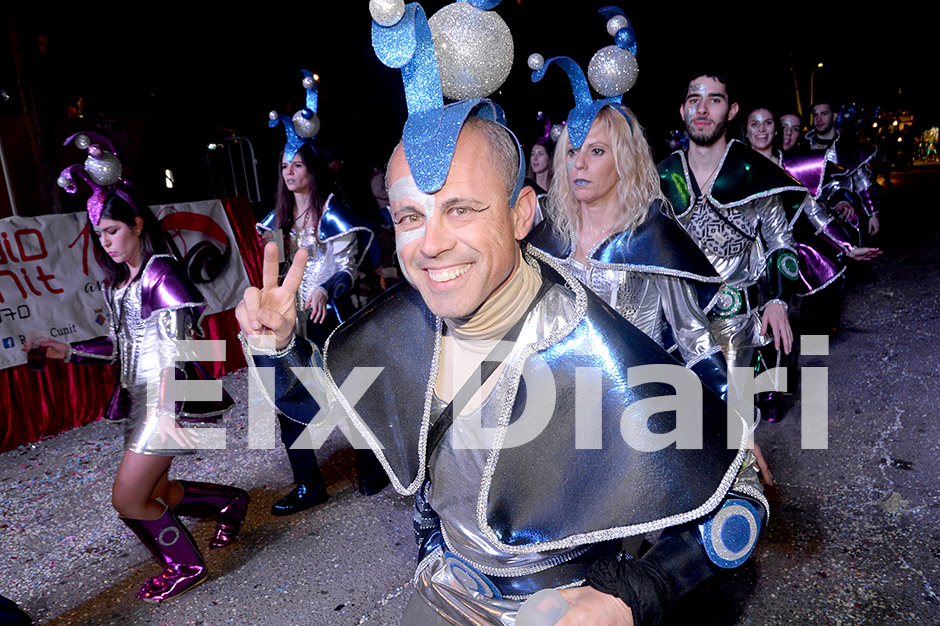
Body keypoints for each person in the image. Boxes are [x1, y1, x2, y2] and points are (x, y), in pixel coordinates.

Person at [239, 107, 768, 624]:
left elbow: (738, 502)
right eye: (410, 217)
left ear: (520, 214)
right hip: (442, 589)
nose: (431, 245)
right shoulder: (404, 321)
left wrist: (630, 595)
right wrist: (278, 346)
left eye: (461, 210)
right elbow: (324, 408)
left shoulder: (586, 342)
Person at [42, 133, 245, 604]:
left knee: (129, 499)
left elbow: (181, 347)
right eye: (99, 234)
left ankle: (186, 565)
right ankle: (230, 503)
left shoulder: (160, 273)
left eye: (112, 231)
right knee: (161, 492)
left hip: (168, 400)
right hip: (140, 400)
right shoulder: (119, 284)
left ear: (136, 224)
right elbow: (121, 347)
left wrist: (171, 413)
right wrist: (66, 351)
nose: (106, 242)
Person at [528, 104, 728, 396]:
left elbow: (693, 337)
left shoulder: (652, 237)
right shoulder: (548, 239)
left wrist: (734, 414)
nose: (579, 164)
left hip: (642, 403)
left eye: (596, 151)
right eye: (572, 151)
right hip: (564, 401)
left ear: (624, 159)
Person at [659, 72, 802, 422]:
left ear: (732, 110)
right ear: (683, 110)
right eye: (694, 100)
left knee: (730, 422)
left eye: (714, 100)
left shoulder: (755, 173)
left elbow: (780, 241)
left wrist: (778, 300)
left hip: (735, 323)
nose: (702, 109)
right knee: (679, 424)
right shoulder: (661, 178)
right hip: (673, 326)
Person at [257, 144, 388, 516]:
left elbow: (348, 270)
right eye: (284, 165)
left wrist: (325, 290)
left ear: (312, 170)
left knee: (348, 395)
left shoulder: (333, 214)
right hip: (290, 321)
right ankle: (308, 484)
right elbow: (276, 272)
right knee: (287, 399)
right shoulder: (278, 220)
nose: (289, 172)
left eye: (297, 165)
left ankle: (373, 465)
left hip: (328, 317)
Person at [805, 102, 881, 236]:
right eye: (815, 115)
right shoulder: (804, 147)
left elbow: (862, 181)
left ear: (834, 116)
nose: (818, 119)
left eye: (824, 114)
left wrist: (873, 214)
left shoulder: (847, 147)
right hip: (811, 221)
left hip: (844, 217)